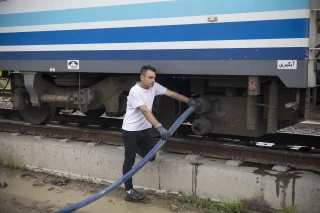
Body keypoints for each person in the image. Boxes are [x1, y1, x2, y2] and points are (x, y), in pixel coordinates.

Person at [121, 65, 201, 200]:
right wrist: (159, 127)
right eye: (150, 77)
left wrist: (188, 100)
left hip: (143, 130)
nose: (153, 80)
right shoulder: (135, 91)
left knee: (151, 157)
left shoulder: (154, 87)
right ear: (142, 77)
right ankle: (129, 191)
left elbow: (171, 94)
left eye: (154, 78)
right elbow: (145, 111)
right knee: (129, 161)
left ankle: (135, 149)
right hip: (130, 131)